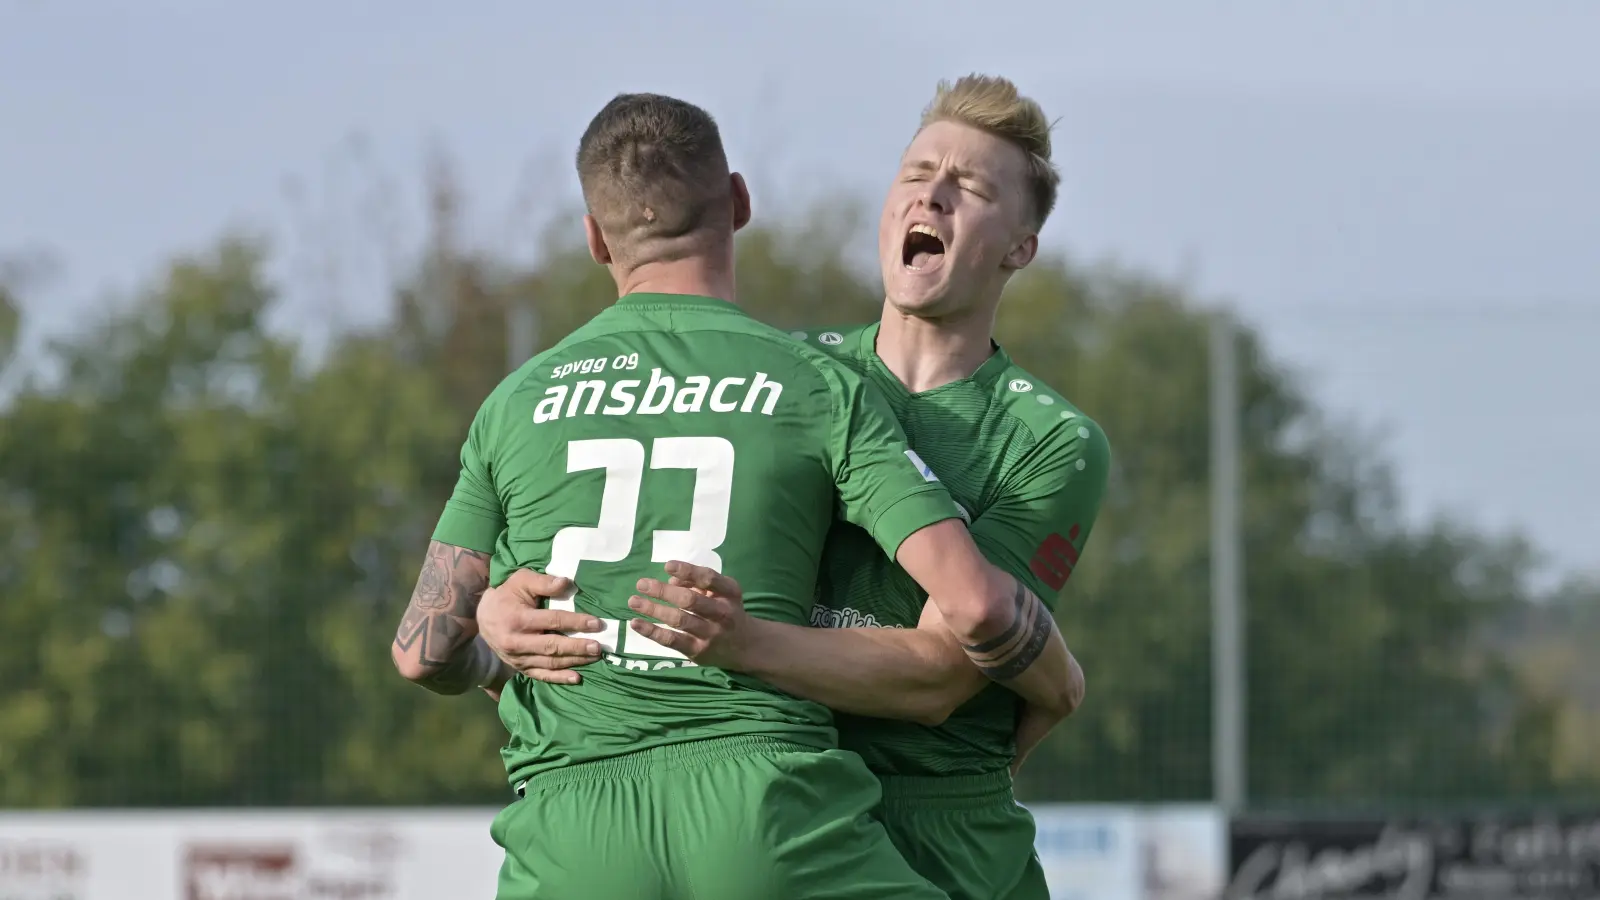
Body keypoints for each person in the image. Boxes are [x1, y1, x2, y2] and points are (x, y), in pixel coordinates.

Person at [389, 91, 1080, 900]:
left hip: (569, 824)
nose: (932, 197)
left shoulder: (517, 400)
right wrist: (1058, 681)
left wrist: (493, 634)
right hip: (765, 803)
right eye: (919, 172)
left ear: (594, 238)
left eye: (970, 185)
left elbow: (421, 651)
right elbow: (977, 607)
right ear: (740, 203)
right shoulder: (812, 381)